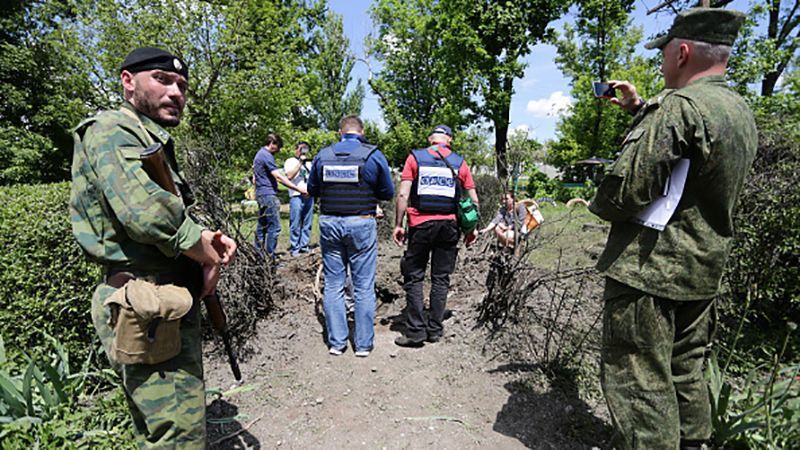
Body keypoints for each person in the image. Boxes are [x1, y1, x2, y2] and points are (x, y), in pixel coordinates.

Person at [588, 8, 756, 449]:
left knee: (641, 385)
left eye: (663, 52)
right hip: (701, 270)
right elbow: (695, 164)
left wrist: (598, 203)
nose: (660, 61)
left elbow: (624, 191)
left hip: (651, 272)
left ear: (682, 52)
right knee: (685, 369)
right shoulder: (738, 109)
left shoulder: (679, 108)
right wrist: (641, 109)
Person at [70, 47, 237, 448]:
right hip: (148, 303)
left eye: (181, 85)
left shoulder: (147, 137)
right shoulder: (112, 129)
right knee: (177, 437)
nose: (176, 91)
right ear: (128, 81)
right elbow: (145, 214)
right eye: (162, 79)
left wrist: (204, 236)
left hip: (162, 300)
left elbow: (161, 213)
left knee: (165, 431)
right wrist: (202, 249)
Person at [306, 115, 395, 357]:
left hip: (329, 224)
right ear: (362, 131)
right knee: (363, 285)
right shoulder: (372, 154)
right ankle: (363, 345)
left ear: (339, 132)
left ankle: (337, 343)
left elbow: (311, 189)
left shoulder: (322, 155)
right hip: (361, 223)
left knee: (334, 284)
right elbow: (388, 192)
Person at [392, 125, 479, 347]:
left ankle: (416, 332)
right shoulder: (460, 162)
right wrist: (472, 229)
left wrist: (398, 224)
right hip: (449, 226)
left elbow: (403, 193)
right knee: (441, 278)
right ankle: (435, 330)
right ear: (449, 140)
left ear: (431, 139)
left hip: (420, 225)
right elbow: (473, 199)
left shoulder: (415, 158)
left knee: (414, 277)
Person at [253, 133, 308, 259]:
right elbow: (279, 177)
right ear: (272, 144)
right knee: (275, 227)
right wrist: (297, 188)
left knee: (262, 226)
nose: (278, 151)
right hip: (268, 195)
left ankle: (258, 255)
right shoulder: (266, 156)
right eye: (278, 147)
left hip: (262, 194)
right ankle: (269, 257)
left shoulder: (259, 154)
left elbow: (255, 178)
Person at [284, 141, 315, 256]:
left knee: (307, 223)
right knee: (295, 222)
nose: (303, 151)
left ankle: (304, 246)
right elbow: (289, 176)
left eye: (305, 149)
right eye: (301, 148)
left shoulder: (310, 163)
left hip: (309, 195)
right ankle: (295, 247)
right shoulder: (290, 161)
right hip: (296, 196)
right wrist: (300, 163)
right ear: (296, 149)